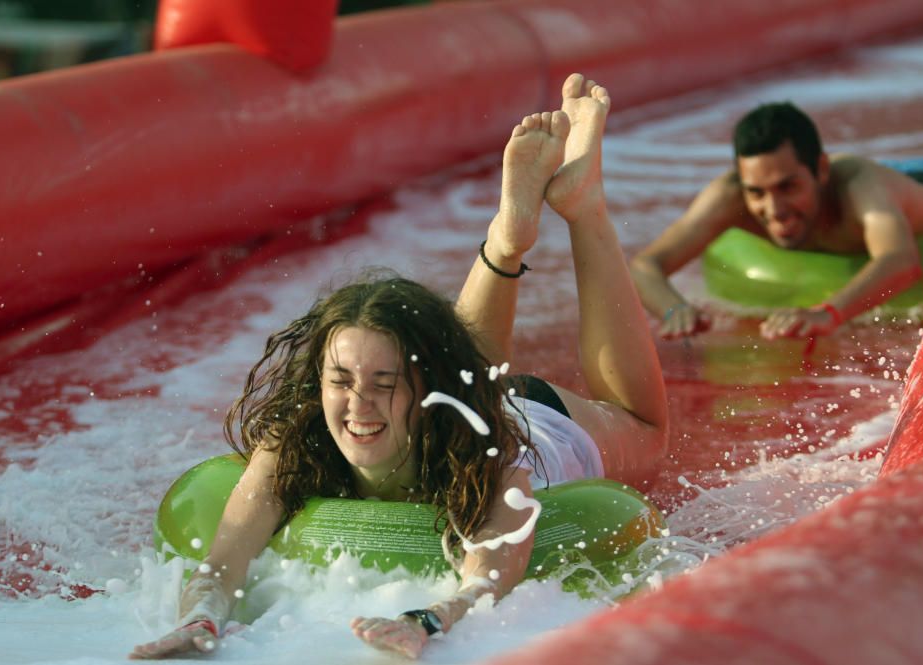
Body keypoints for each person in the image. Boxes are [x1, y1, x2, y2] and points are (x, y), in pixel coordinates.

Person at [129, 73, 668, 661]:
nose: (357, 404)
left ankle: (583, 207)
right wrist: (199, 620)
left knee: (643, 426)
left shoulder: (490, 462)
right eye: (340, 381)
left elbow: (485, 580)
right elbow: (221, 562)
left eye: (382, 386)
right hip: (452, 395)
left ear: (420, 390)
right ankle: (507, 240)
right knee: (458, 371)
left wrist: (426, 622)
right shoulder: (296, 444)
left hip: (538, 425)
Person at [629, 101, 923, 340]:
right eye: (757, 192)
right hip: (887, 191)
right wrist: (673, 309)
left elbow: (902, 261)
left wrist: (827, 312)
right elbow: (645, 265)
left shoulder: (857, 186)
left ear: (821, 170)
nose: (773, 209)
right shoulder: (728, 196)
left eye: (787, 186)